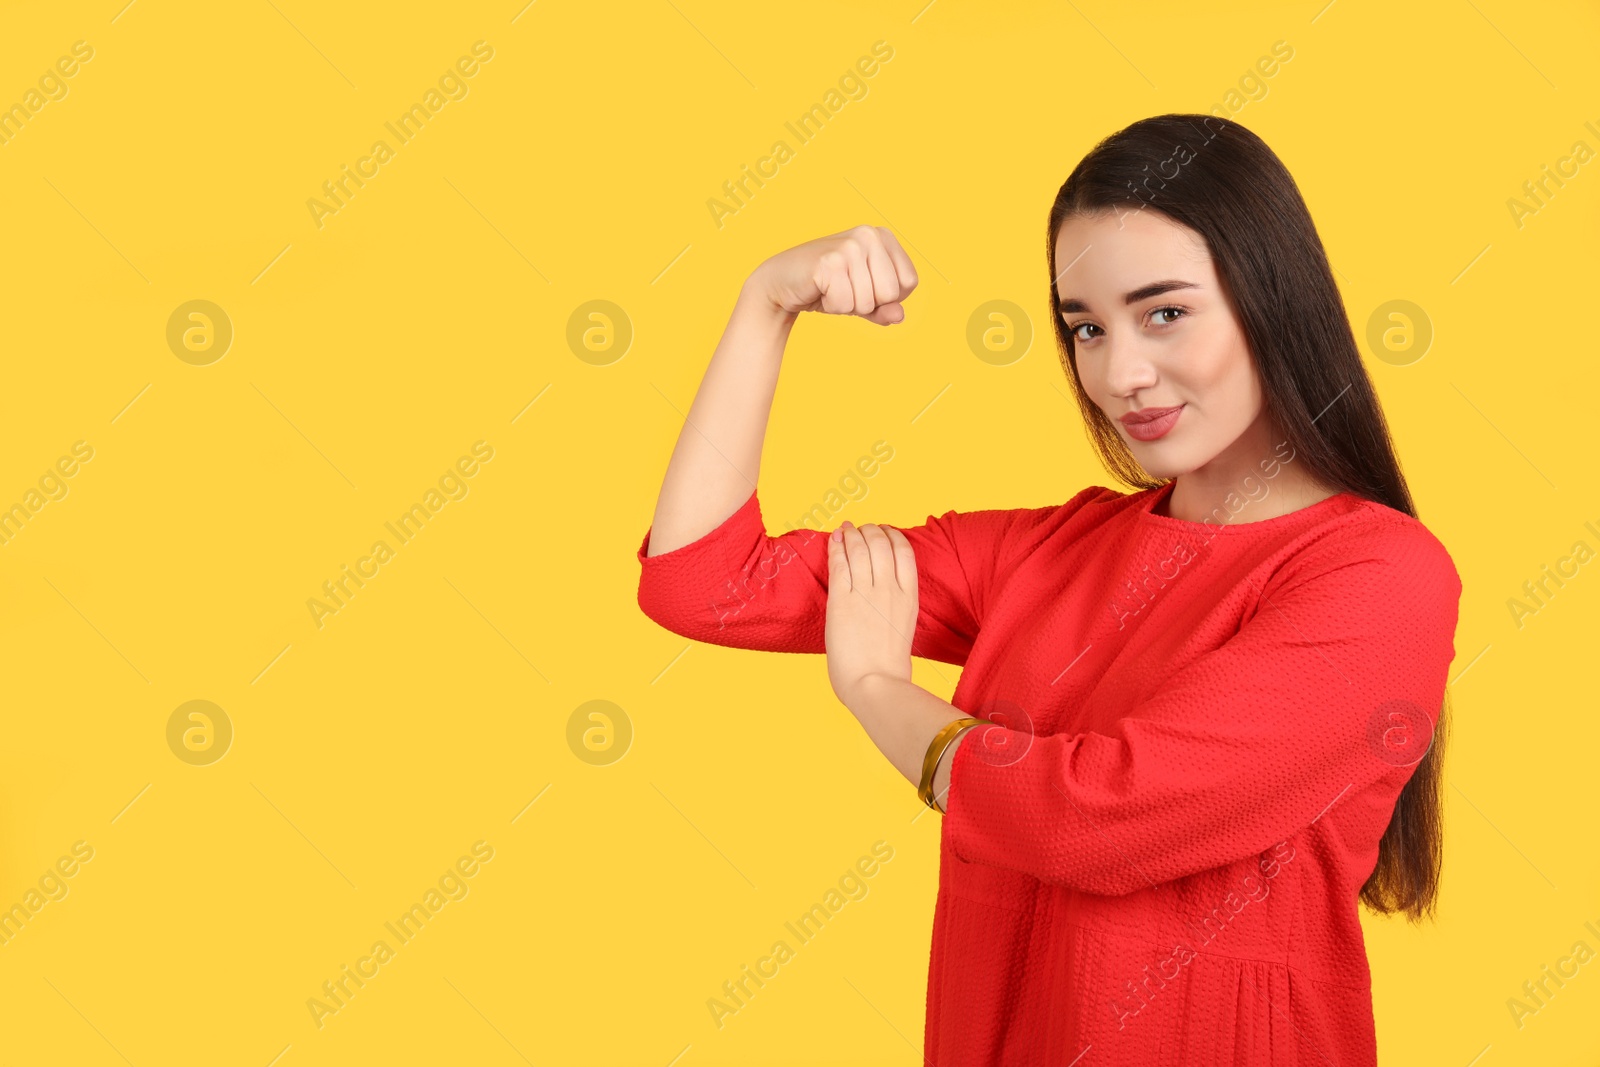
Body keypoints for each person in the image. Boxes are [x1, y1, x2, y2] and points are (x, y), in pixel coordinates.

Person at [634, 113, 1461, 1066]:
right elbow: (701, 583)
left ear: (1272, 300)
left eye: (1165, 313)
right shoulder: (1048, 552)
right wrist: (763, 305)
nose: (1121, 373)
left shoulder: (1379, 575)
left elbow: (1096, 821)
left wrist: (878, 690)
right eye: (1086, 328)